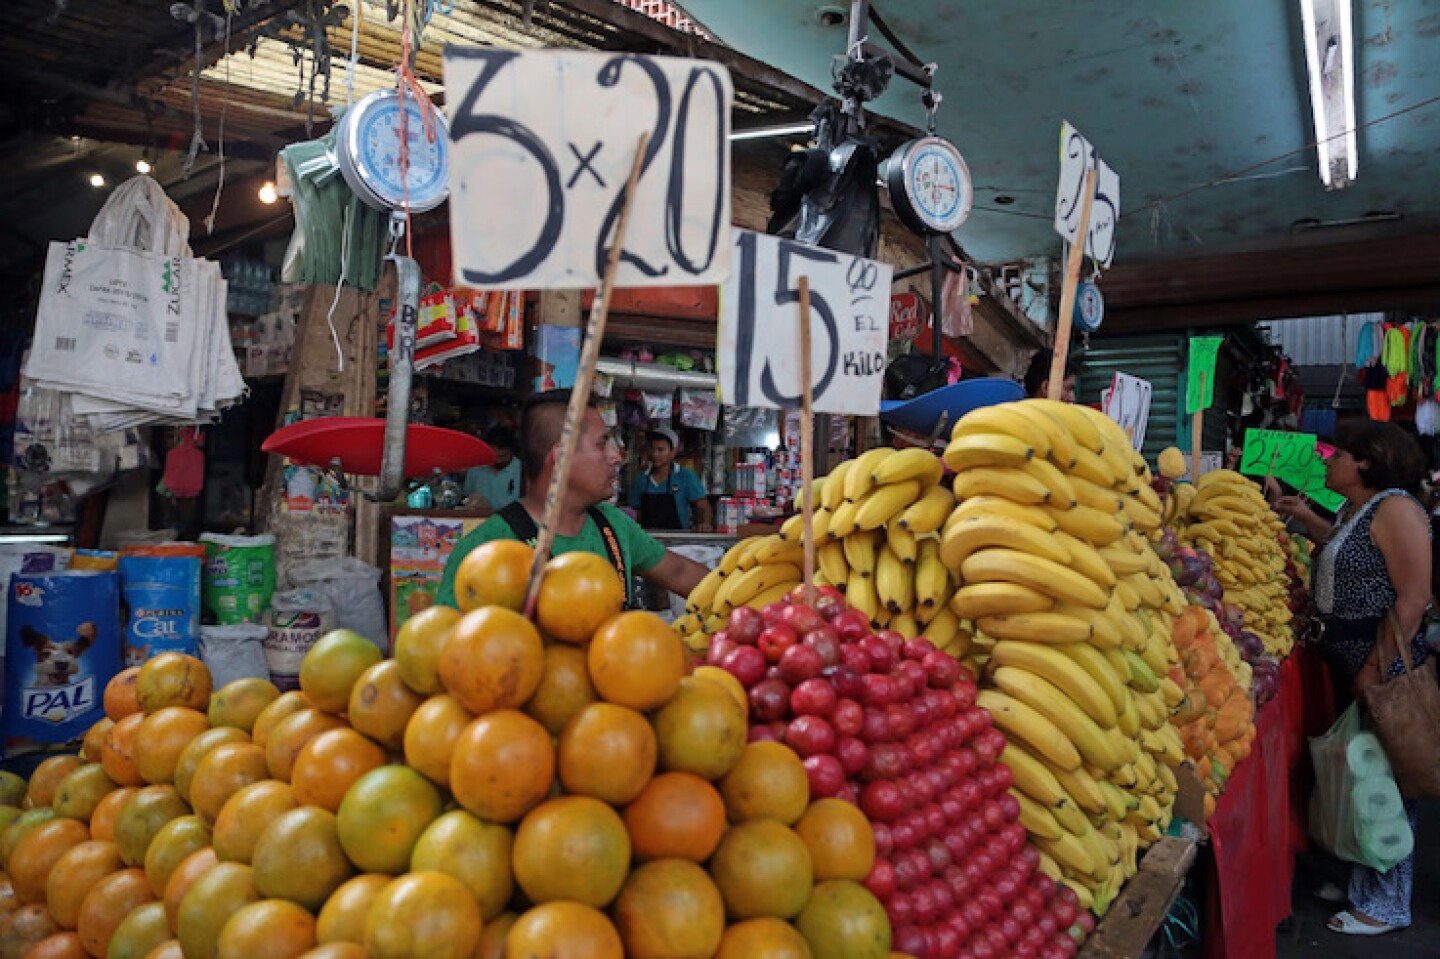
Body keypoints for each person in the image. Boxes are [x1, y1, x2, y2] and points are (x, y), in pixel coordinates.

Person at [1273, 419, 1431, 937]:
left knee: (1383, 780)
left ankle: (1386, 903)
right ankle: (1361, 872)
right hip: (1345, 653)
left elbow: (1412, 597)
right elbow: (1349, 556)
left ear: (1366, 459)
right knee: (1355, 773)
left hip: (1377, 657)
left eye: (1337, 452)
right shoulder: (1357, 509)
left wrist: (1372, 668)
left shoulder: (1397, 509)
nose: (1327, 460)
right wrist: (1304, 519)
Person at [436, 391, 709, 610]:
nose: (616, 456)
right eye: (602, 444)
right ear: (562, 457)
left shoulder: (612, 525)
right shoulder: (484, 548)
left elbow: (680, 572)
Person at [628, 427, 713, 531]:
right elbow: (635, 512)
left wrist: (704, 523)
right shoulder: (640, 480)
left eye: (660, 450)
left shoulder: (686, 476)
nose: (655, 454)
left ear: (673, 452)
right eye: (652, 449)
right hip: (647, 539)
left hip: (679, 538)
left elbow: (703, 506)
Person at [462, 425, 522, 515]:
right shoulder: (476, 467)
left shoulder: (522, 470)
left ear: (511, 451)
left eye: (503, 456)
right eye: (494, 456)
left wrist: (489, 507)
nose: (499, 460)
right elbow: (465, 496)